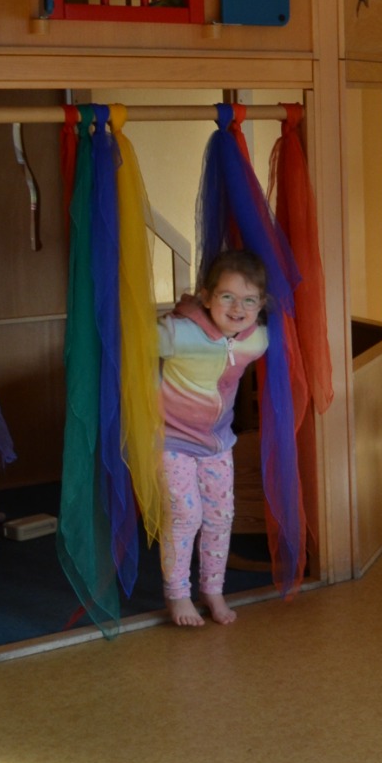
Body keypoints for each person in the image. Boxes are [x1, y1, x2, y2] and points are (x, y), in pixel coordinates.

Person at [158, 249, 269, 627]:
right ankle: (177, 594)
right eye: (227, 296)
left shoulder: (255, 340)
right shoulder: (178, 334)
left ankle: (213, 589)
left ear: (260, 305)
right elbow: (133, 345)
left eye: (249, 300)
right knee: (185, 516)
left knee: (221, 517)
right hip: (171, 441)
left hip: (217, 444)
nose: (238, 308)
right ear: (206, 297)